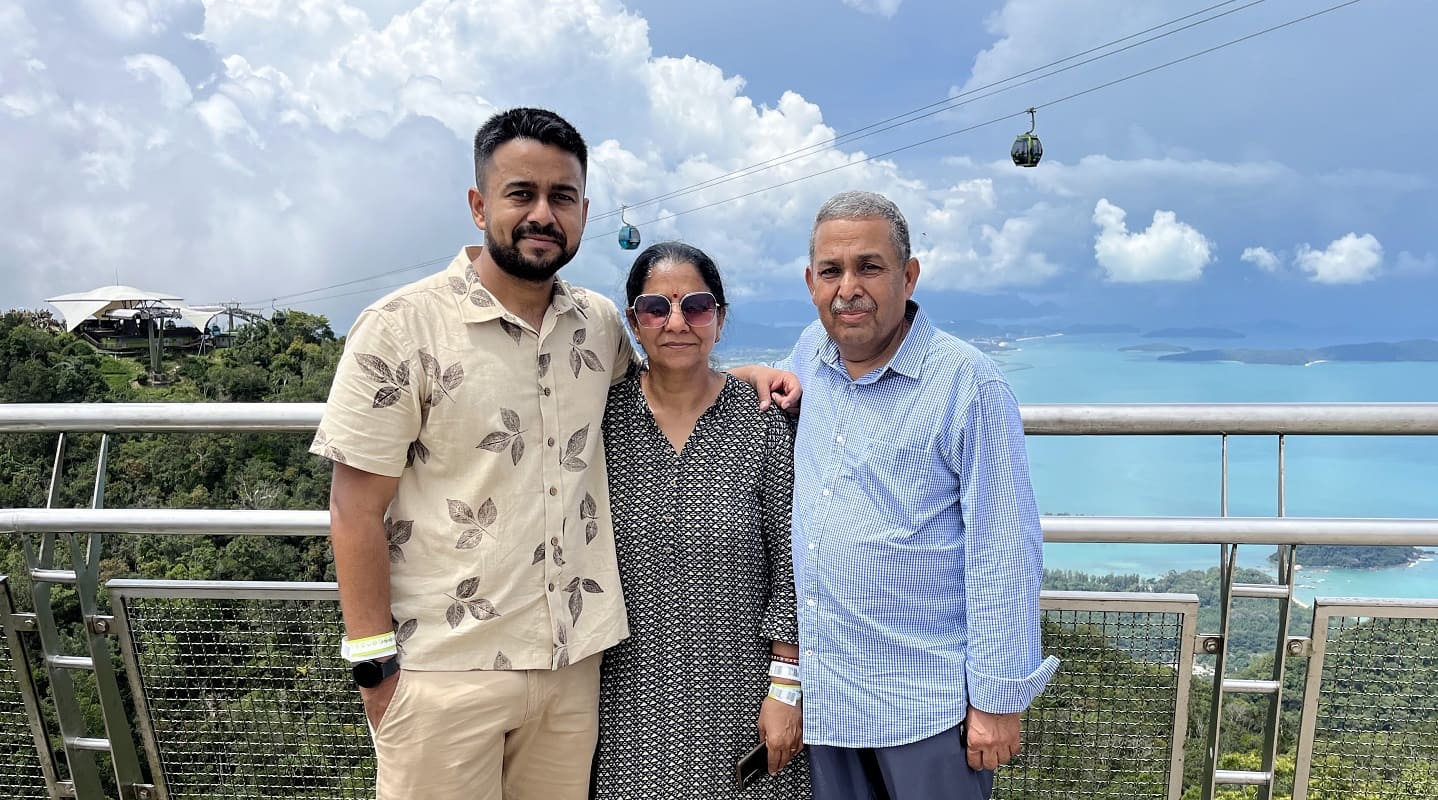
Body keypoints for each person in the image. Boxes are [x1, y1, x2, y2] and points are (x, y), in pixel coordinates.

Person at [311, 108, 797, 800]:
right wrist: (374, 671)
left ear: (583, 211)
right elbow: (353, 508)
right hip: (446, 671)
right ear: (479, 205)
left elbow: (673, 375)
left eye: (561, 197)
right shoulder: (400, 328)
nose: (542, 213)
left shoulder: (595, 326)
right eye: (521, 194)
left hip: (575, 671)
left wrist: (744, 377)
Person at [743, 190, 1059, 800]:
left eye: (870, 267)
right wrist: (753, 375)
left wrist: (996, 699)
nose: (848, 288)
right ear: (811, 282)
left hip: (927, 704)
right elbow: (772, 383)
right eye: (831, 271)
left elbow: (1005, 549)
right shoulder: (812, 352)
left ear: (908, 276)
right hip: (831, 700)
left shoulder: (968, 385)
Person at [593, 242, 810, 800]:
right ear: (633, 322)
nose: (676, 323)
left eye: (696, 306)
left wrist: (785, 689)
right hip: (626, 700)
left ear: (719, 316)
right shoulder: (600, 418)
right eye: (655, 309)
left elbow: (790, 559)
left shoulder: (758, 419)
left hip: (742, 692)